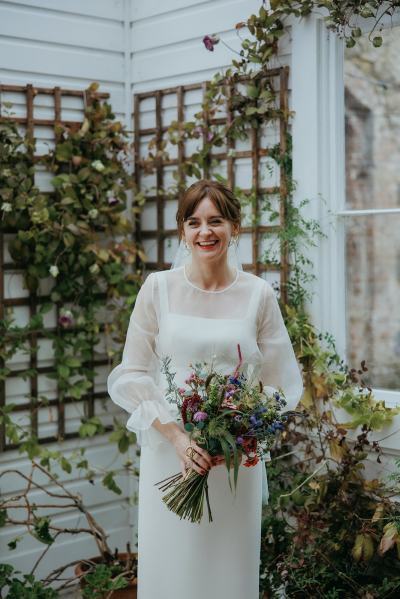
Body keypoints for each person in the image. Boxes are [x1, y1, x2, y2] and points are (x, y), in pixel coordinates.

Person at [107, 179, 304, 599]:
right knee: (172, 568)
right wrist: (178, 438)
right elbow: (131, 374)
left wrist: (237, 433)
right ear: (182, 231)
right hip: (170, 454)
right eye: (194, 222)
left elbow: (281, 384)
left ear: (235, 226)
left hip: (232, 463)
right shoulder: (157, 289)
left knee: (227, 572)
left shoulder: (258, 295)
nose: (205, 232)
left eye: (216, 220)